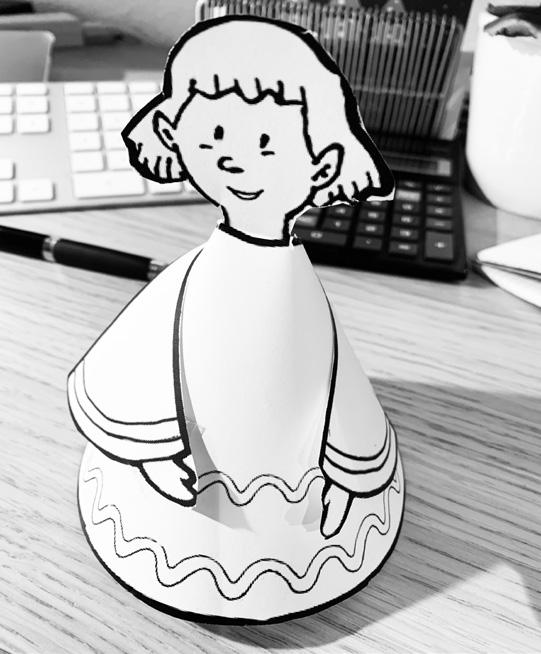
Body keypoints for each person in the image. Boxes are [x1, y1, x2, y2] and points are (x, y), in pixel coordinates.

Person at [69, 16, 405, 623]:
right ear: (175, 134)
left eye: (267, 145)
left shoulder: (295, 292)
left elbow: (326, 380)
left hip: (298, 530)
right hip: (177, 515)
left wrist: (347, 469)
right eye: (216, 135)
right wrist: (150, 450)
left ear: (323, 166)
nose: (235, 160)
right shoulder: (194, 278)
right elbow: (148, 353)